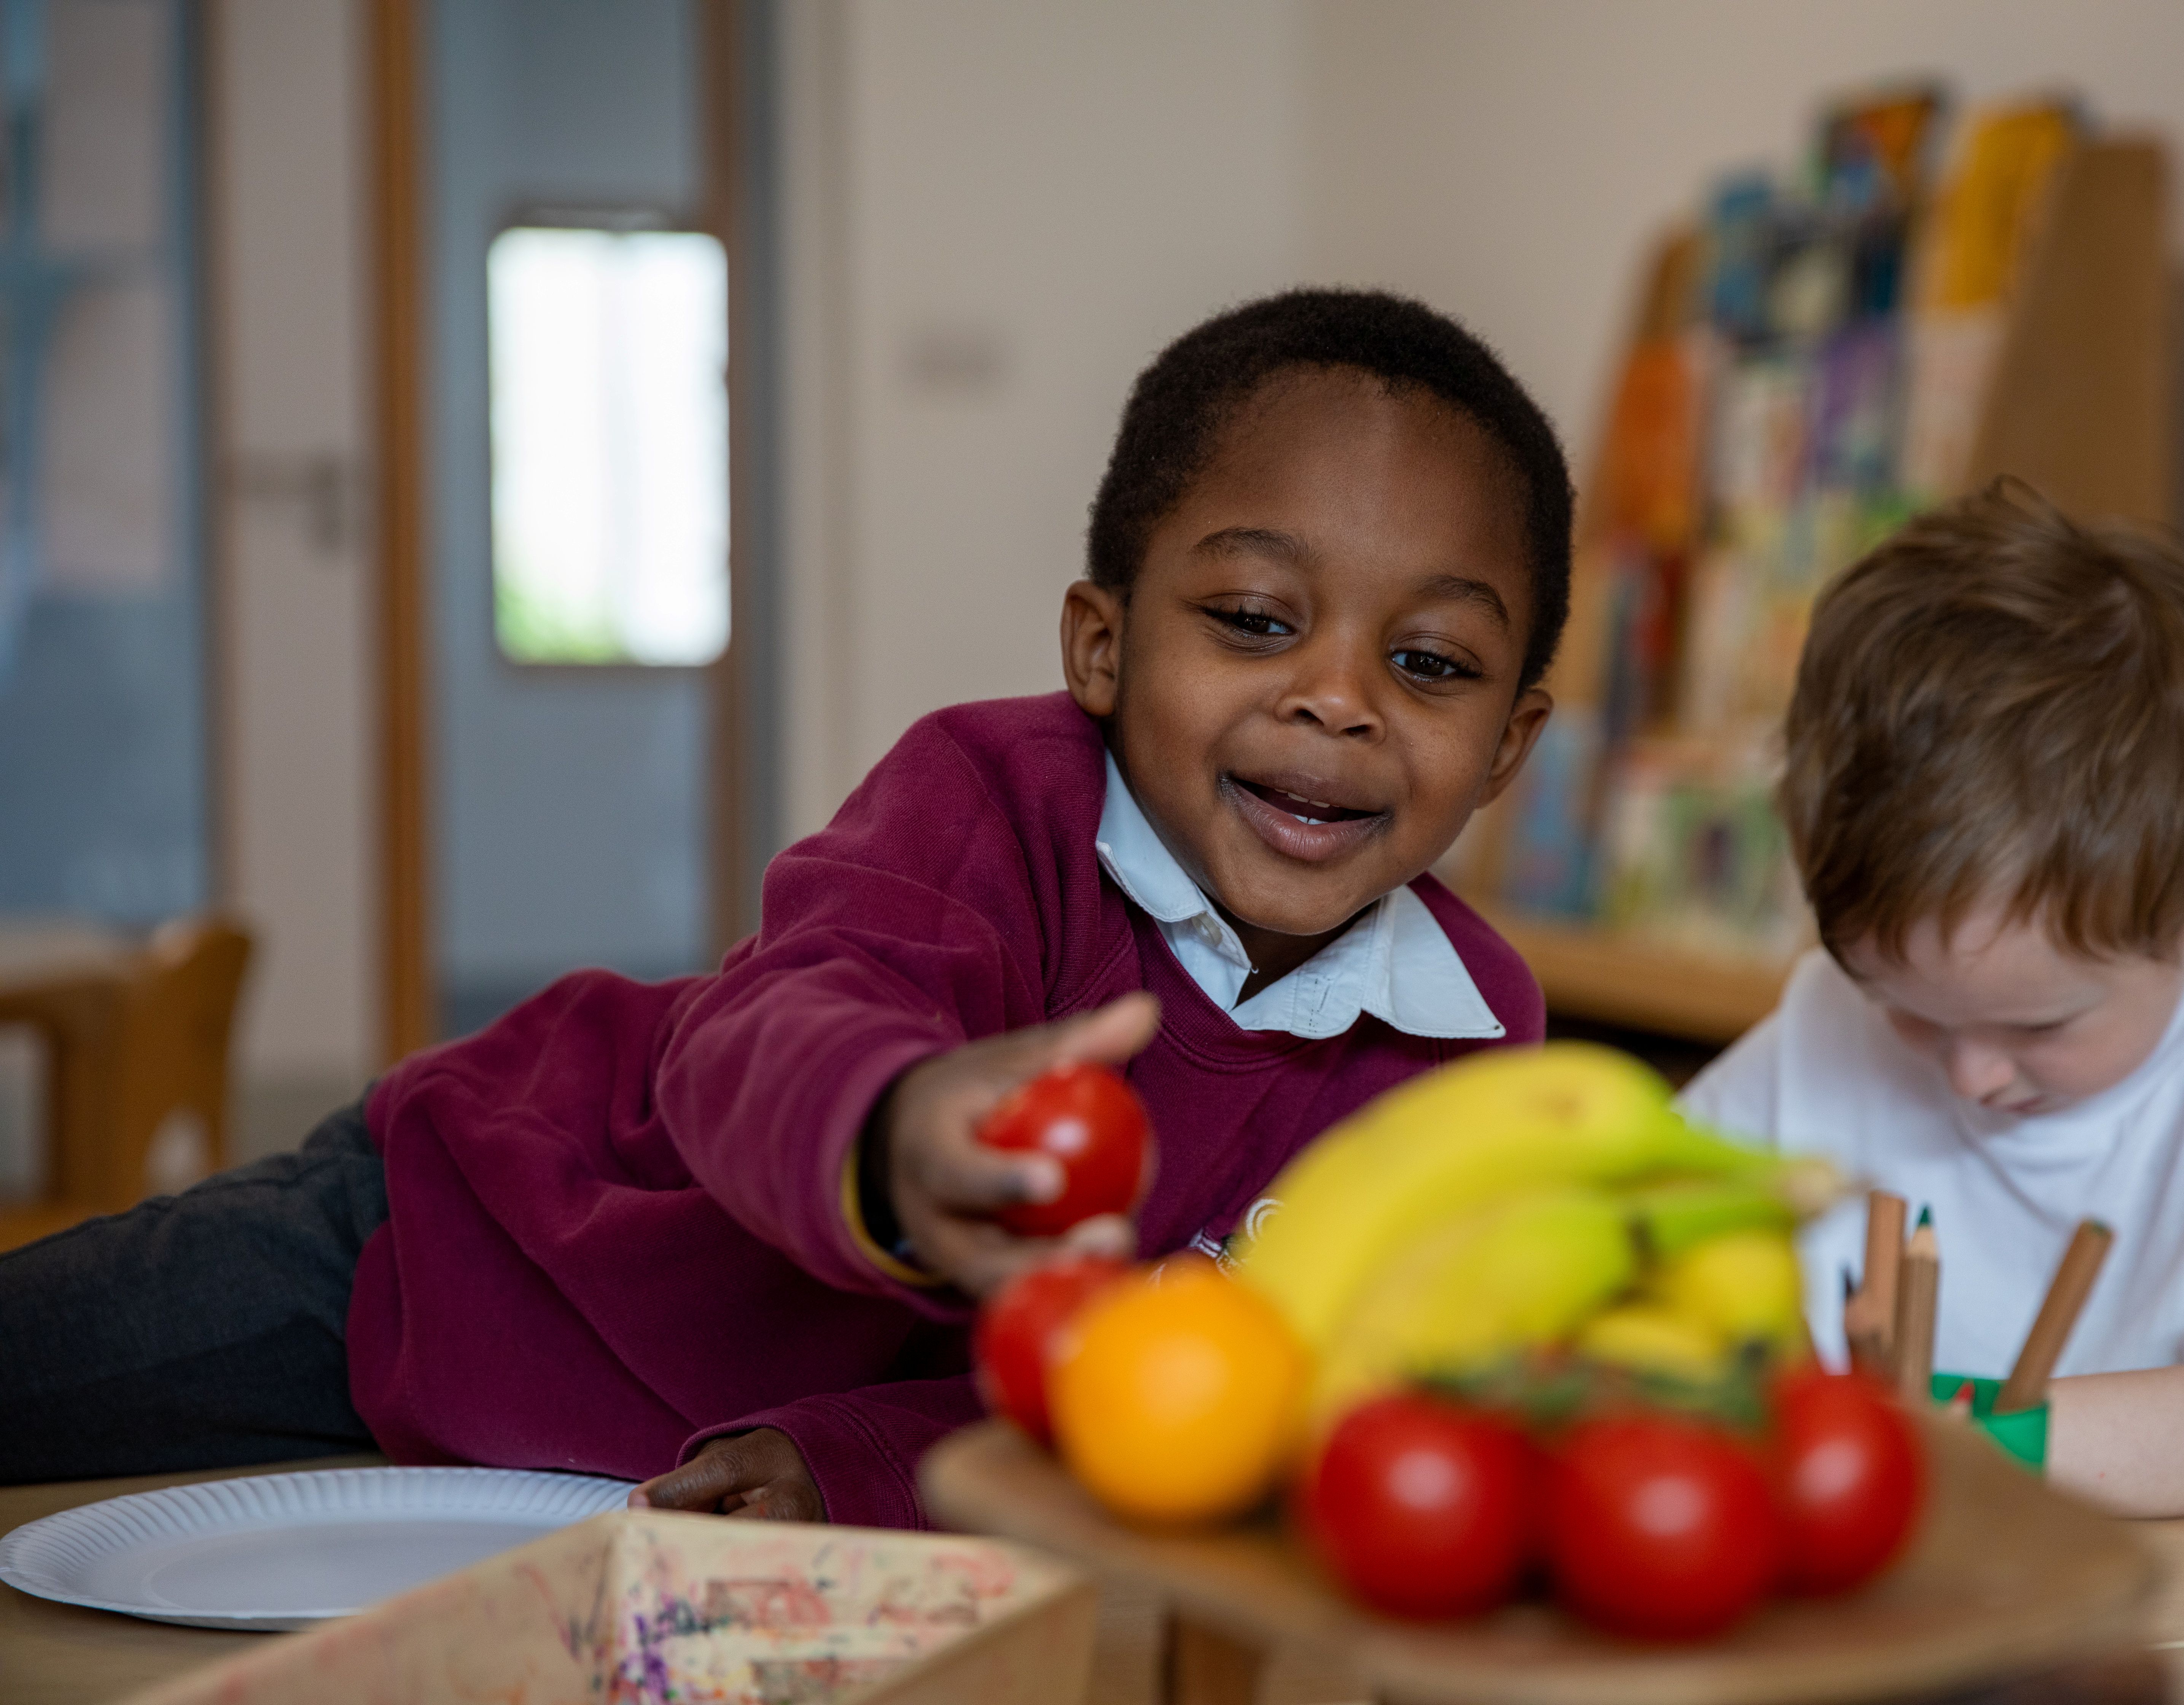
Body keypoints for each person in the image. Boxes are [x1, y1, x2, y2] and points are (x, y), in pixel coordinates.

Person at [0, 290, 1568, 1526]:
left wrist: (857, 1462)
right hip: (454, 1255)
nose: (1335, 701)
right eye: (1251, 619)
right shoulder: (998, 796)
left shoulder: (1470, 1059)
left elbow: (1207, 1389)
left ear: (1508, 745)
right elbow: (773, 1020)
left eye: (1429, 662)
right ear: (1103, 645)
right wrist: (893, 1126)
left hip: (638, 1481)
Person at [1676, 481, 2184, 1524]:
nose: (1971, 1075)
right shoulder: (1824, 1025)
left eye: (2040, 1025)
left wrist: (1935, 1445)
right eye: (1906, 1007)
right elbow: (1633, 1235)